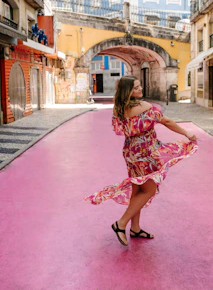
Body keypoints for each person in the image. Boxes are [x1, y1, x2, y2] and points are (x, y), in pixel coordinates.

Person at [84, 75, 198, 246]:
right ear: (128, 91)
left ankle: (135, 228)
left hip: (130, 152)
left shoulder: (119, 108)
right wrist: (187, 133)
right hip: (145, 153)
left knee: (137, 191)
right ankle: (121, 224)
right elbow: (165, 121)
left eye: (139, 86)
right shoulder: (145, 107)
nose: (140, 89)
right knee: (149, 190)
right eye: (136, 87)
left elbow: (121, 129)